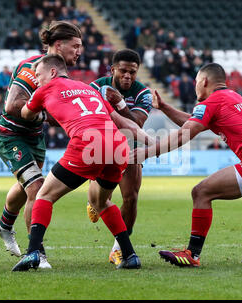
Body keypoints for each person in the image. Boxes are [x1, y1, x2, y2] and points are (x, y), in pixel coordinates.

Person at [133, 63, 242, 267]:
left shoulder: (213, 102)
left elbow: (184, 133)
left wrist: (146, 152)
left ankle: (192, 254)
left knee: (201, 192)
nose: (196, 86)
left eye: (197, 82)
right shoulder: (233, 96)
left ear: (204, 81)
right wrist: (164, 107)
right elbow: (192, 122)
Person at [12, 54, 152, 271]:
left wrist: (40, 107)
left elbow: (24, 113)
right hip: (117, 145)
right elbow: (120, 120)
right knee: (101, 202)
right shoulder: (88, 88)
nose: (36, 80)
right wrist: (153, 142)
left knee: (44, 195)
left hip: (88, 143)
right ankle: (130, 255)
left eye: (38, 75)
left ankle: (33, 254)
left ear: (52, 72)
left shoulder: (45, 89)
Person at [0, 21, 83, 269]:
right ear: (57, 45)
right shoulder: (33, 69)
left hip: (35, 138)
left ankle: (4, 224)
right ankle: (37, 253)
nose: (79, 51)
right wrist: (47, 116)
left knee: (25, 187)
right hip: (11, 135)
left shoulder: (61, 75)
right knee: (37, 188)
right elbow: (12, 106)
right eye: (75, 46)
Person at [88, 49, 153, 266]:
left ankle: (119, 248)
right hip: (99, 146)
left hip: (130, 149)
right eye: (123, 71)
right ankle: (95, 202)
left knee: (131, 197)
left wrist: (121, 105)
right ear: (113, 69)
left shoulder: (143, 94)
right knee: (98, 201)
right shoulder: (96, 87)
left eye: (132, 72)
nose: (128, 76)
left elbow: (138, 124)